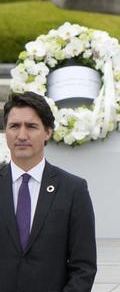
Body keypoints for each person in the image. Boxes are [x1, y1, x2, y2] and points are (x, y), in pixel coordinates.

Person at [0, 91, 96, 292]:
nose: (22, 135)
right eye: (14, 126)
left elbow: (83, 267)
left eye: (32, 126)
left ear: (47, 133)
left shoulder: (73, 190)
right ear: (5, 131)